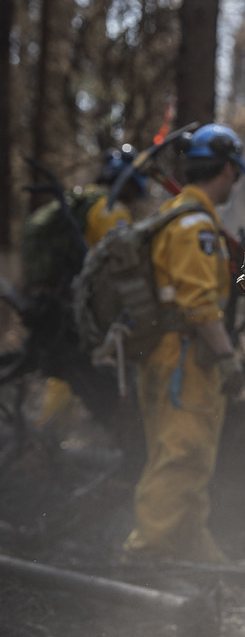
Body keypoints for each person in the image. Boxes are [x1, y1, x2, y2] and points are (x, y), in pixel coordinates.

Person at [121, 123, 245, 564]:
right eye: (236, 173)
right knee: (182, 454)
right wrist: (227, 357)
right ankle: (147, 554)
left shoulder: (176, 212)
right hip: (186, 359)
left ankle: (190, 544)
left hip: (169, 354)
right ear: (227, 169)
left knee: (186, 452)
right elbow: (197, 304)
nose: (235, 181)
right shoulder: (196, 225)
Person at [20, 146, 145, 427]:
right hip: (77, 305)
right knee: (76, 367)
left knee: (66, 367)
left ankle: (48, 432)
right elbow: (122, 263)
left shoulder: (83, 200)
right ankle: (48, 431)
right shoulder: (110, 209)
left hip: (55, 298)